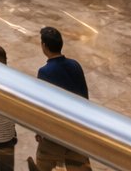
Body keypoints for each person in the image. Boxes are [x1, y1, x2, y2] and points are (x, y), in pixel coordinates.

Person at [33, 27, 91, 171]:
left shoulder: (45, 72)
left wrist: (39, 131)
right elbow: (84, 95)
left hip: (56, 131)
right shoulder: (75, 65)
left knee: (43, 163)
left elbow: (43, 105)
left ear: (44, 46)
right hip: (78, 128)